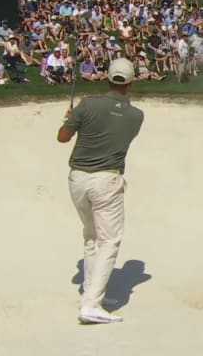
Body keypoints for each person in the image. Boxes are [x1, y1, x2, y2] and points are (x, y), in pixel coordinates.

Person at [56, 58, 144, 325]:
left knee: (91, 236)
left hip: (77, 180)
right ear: (130, 83)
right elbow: (115, 125)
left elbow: (62, 137)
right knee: (109, 240)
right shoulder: (136, 116)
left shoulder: (87, 105)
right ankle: (91, 304)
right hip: (106, 181)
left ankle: (92, 291)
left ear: (107, 78)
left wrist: (69, 119)